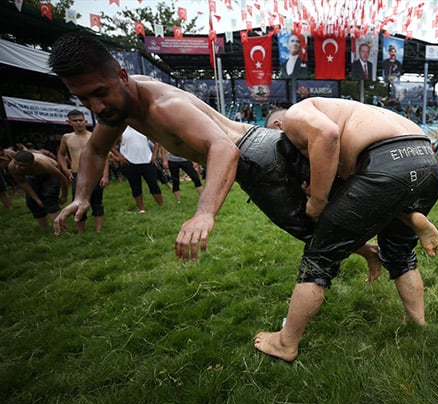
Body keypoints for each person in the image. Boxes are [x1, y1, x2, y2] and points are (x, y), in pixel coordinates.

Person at [48, 33, 384, 283]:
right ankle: (376, 249)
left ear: (122, 76)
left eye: (100, 93)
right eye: (84, 98)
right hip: (257, 152)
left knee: (317, 220)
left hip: (256, 154)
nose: (96, 107)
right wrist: (80, 197)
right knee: (318, 219)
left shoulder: (163, 107)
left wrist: (204, 213)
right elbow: (94, 149)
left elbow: (224, 148)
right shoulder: (118, 107)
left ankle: (385, 244)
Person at [257, 98, 438, 362]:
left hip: (385, 163)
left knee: (319, 256)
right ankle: (417, 323)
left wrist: (317, 201)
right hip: (426, 162)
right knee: (400, 254)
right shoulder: (349, 110)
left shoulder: (295, 115)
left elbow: (327, 134)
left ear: (278, 125)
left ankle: (285, 343)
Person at [57, 109, 109, 233]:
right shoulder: (67, 138)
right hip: (77, 174)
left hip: (94, 174)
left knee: (97, 202)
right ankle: (81, 232)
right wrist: (65, 169)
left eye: (81, 120)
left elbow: (105, 155)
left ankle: (98, 230)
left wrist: (105, 175)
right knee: (78, 202)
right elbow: (61, 153)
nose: (79, 123)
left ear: (86, 121)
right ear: (69, 122)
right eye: (75, 121)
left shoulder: (93, 136)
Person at [8, 149, 69, 231]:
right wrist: (36, 199)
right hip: (31, 175)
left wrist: (64, 195)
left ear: (32, 164)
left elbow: (62, 179)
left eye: (21, 165)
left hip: (49, 174)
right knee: (32, 203)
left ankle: (61, 228)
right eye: (16, 163)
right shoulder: (12, 167)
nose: (17, 167)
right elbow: (22, 183)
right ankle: (44, 229)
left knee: (49, 198)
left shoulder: (44, 165)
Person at [111, 126, 164, 214]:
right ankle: (141, 209)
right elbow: (110, 145)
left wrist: (154, 155)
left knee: (153, 184)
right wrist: (119, 156)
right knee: (135, 187)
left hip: (147, 161)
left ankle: (161, 205)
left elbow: (157, 142)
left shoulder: (142, 128)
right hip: (129, 162)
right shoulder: (121, 130)